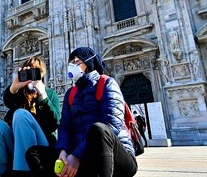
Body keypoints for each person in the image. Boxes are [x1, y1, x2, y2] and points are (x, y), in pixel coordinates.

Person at [26, 47, 137, 177]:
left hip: (113, 157)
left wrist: (77, 155)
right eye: (71, 63)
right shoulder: (71, 93)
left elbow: (112, 124)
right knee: (34, 152)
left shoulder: (107, 83)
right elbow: (65, 126)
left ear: (88, 63)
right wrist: (63, 151)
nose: (72, 66)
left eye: (76, 61)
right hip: (81, 156)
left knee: (99, 129)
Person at [0, 56, 60, 177]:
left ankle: (23, 173)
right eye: (28, 71)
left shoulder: (50, 94)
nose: (31, 75)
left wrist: (43, 96)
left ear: (41, 74)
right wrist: (13, 88)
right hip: (16, 145)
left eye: (35, 71)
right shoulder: (19, 94)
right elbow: (8, 101)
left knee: (21, 114)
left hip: (41, 147)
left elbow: (55, 123)